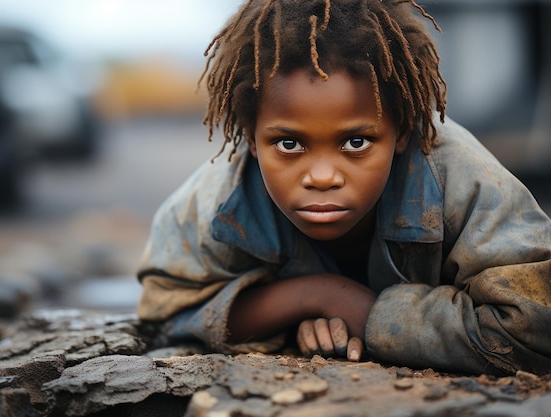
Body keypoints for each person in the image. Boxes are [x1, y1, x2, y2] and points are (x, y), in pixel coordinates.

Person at [137, 0, 551, 375]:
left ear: (402, 130)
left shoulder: (465, 179)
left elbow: (532, 326)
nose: (321, 176)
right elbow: (167, 312)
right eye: (288, 144)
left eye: (356, 142)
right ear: (250, 138)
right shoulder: (214, 202)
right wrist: (314, 297)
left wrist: (370, 315)